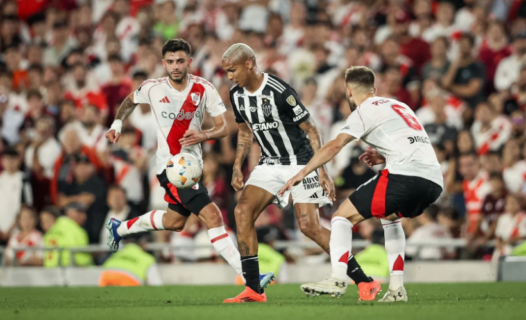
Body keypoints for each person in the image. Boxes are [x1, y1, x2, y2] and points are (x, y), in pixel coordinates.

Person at [104, 39, 273, 288]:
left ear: (189, 62)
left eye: (180, 61)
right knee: (214, 216)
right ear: (163, 63)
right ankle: (251, 277)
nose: (175, 66)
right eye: (170, 62)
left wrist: (203, 135)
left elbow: (223, 127)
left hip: (192, 168)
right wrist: (117, 124)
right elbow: (130, 101)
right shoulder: (153, 88)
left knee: (175, 222)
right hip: (170, 169)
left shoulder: (204, 89)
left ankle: (120, 228)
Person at [221, 44, 379, 303]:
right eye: (226, 71)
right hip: (269, 163)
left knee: (309, 227)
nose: (229, 76)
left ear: (249, 63)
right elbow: (245, 131)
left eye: (232, 69)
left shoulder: (280, 91)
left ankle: (365, 281)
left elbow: (311, 129)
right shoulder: (236, 94)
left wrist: (322, 171)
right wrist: (238, 165)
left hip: (301, 161)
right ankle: (254, 288)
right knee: (242, 212)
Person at [280, 66, 443, 302]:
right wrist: (385, 156)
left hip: (404, 176)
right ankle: (397, 289)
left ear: (348, 92)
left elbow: (336, 145)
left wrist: (304, 172)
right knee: (390, 217)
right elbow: (414, 144)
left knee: (340, 218)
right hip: (433, 180)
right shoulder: (399, 106)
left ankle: (337, 278)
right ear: (374, 89)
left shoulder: (362, 111)